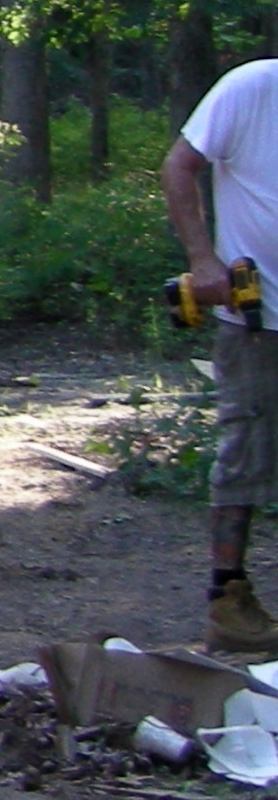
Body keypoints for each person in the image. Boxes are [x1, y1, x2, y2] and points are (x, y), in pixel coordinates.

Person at [163, 63, 278, 655]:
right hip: (259, 320)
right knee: (247, 452)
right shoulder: (252, 88)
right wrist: (204, 262)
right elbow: (179, 167)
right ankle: (227, 603)